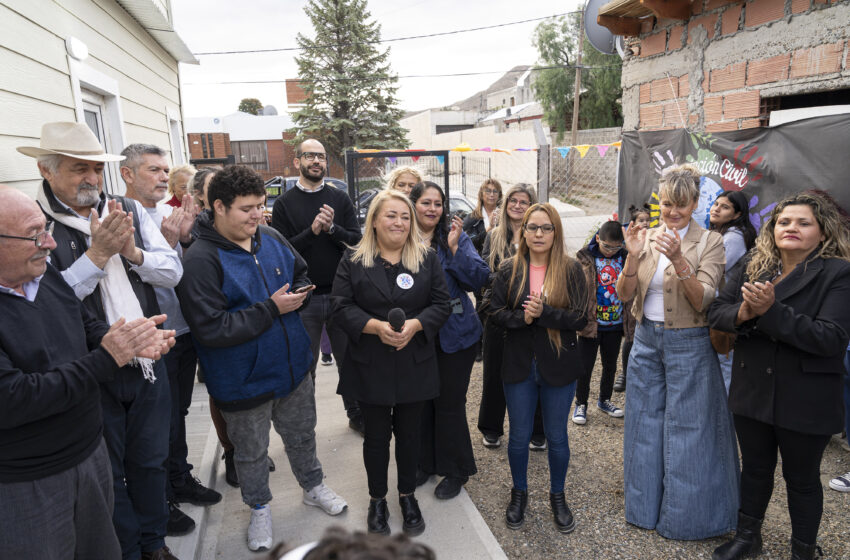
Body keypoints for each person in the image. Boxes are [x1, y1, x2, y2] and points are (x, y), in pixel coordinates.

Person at [19, 122, 184, 560]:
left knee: (150, 461)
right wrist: (97, 255)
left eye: (96, 168)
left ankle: (155, 543)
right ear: (46, 170)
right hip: (91, 368)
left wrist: (131, 252)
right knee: (107, 473)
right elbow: (49, 302)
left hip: (148, 358)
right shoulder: (36, 226)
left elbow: (171, 271)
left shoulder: (125, 208)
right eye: (79, 169)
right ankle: (126, 549)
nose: (92, 178)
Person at [177, 165, 347, 552]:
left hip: (292, 370)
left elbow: (301, 272)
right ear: (218, 206)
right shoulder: (201, 261)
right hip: (242, 381)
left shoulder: (269, 237)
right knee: (251, 453)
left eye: (261, 205)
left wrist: (301, 291)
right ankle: (259, 508)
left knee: (302, 436)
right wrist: (272, 309)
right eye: (246, 208)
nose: (257, 215)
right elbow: (212, 330)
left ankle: (313, 486)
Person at [708, 192, 850, 560]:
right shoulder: (757, 263)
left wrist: (770, 311)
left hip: (805, 396)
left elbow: (830, 338)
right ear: (773, 228)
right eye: (785, 221)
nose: (792, 228)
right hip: (753, 388)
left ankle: (803, 550)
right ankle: (747, 538)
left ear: (823, 232)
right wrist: (742, 314)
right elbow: (717, 312)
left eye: (804, 223)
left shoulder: (838, 272)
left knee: (801, 480)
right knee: (755, 469)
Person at [616, 163, 738, 540]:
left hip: (691, 341)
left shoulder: (710, 242)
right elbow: (624, 295)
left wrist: (680, 260)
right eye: (667, 203)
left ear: (695, 203)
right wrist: (633, 257)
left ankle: (685, 519)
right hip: (647, 341)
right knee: (644, 424)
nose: (672, 212)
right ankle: (643, 510)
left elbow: (703, 299)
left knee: (690, 430)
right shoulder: (647, 236)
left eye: (681, 204)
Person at [331, 189, 451, 536]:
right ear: (374, 220)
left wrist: (416, 325)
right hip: (371, 363)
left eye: (404, 216)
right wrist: (373, 327)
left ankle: (407, 495)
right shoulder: (353, 259)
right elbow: (340, 305)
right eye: (391, 215)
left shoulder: (426, 258)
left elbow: (442, 304)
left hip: (414, 360)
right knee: (377, 437)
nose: (399, 222)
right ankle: (377, 499)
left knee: (410, 435)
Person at [120, 144, 219, 537]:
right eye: (153, 170)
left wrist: (179, 240)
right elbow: (152, 272)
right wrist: (162, 244)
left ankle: (180, 479)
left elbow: (181, 268)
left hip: (182, 328)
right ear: (128, 175)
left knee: (177, 414)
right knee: (155, 424)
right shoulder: (121, 216)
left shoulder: (167, 213)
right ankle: (161, 496)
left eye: (165, 170)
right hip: (149, 340)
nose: (163, 177)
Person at [489, 203, 588, 533]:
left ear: (556, 232)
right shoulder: (508, 268)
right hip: (518, 366)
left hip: (558, 366)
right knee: (518, 436)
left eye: (546, 228)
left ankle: (557, 495)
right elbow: (495, 312)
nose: (539, 234)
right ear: (523, 231)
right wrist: (524, 318)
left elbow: (580, 319)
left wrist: (544, 314)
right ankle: (519, 492)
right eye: (532, 227)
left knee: (557, 436)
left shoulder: (571, 269)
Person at [271, 139, 364, 435]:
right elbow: (283, 251)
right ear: (297, 160)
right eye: (310, 156)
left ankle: (357, 414)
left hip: (341, 295)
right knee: (305, 367)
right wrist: (312, 232)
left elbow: (356, 242)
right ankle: (304, 426)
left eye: (321, 156)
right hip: (304, 299)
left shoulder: (340, 199)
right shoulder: (285, 204)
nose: (316, 161)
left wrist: (332, 229)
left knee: (349, 361)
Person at [409, 182, 489, 499]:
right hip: (418, 336)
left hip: (456, 335)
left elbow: (479, 278)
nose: (432, 208)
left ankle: (456, 470)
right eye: (426, 202)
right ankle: (426, 463)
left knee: (449, 403)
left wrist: (456, 250)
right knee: (422, 401)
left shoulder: (454, 237)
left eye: (438, 203)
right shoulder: (402, 239)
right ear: (413, 205)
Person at [477, 183, 545, 450]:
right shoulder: (493, 236)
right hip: (499, 315)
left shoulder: (540, 236)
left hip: (532, 315)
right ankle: (492, 427)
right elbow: (483, 275)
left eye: (524, 202)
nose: (517, 206)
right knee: (494, 373)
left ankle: (537, 430)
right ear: (506, 205)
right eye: (513, 201)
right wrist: (511, 280)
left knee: (535, 373)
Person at [573, 220, 627, 425]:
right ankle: (581, 402)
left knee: (610, 365)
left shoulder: (625, 257)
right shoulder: (585, 257)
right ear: (598, 238)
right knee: (584, 366)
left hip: (615, 323)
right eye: (607, 246)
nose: (611, 251)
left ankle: (605, 400)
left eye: (616, 247)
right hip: (591, 324)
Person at [709, 190, 757, 393]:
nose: (716, 208)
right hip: (723, 310)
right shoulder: (722, 234)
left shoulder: (734, 237)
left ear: (737, 215)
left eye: (725, 206)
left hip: (726, 311)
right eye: (716, 204)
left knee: (724, 367)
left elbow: (714, 269)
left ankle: (728, 421)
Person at [613, 204, 650, 393]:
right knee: (629, 337)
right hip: (629, 297)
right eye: (641, 220)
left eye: (647, 220)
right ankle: (625, 374)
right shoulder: (627, 242)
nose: (645, 224)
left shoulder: (654, 240)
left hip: (645, 298)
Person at [463, 178, 503, 254]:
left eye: (495, 191)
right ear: (481, 195)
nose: (492, 195)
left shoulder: (505, 215)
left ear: (499, 195)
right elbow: (468, 243)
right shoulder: (472, 218)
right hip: (480, 261)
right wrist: (489, 229)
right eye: (488, 191)